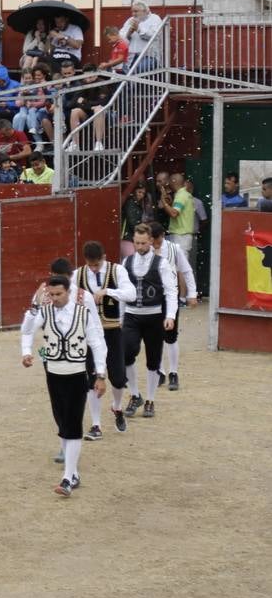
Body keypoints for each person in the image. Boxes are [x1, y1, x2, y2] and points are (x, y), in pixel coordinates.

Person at [21, 275, 109, 496]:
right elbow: (28, 330)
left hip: (77, 375)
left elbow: (97, 343)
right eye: (51, 294)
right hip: (54, 375)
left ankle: (68, 478)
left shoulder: (82, 313)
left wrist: (100, 374)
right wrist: (26, 352)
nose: (55, 298)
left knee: (72, 425)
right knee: (62, 422)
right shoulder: (45, 311)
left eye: (59, 294)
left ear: (69, 292)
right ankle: (73, 472)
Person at [74, 241, 138, 438]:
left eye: (97, 264)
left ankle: (117, 407)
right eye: (90, 265)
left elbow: (132, 294)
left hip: (112, 331)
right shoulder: (78, 274)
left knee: (118, 378)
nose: (94, 269)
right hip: (90, 334)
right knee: (91, 379)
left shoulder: (117, 270)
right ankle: (96, 425)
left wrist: (108, 291)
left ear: (104, 257)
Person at [121, 224, 177, 419]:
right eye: (136, 243)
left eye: (143, 243)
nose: (140, 246)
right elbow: (122, 293)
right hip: (131, 314)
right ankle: (135, 394)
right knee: (127, 352)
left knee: (153, 360)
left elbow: (171, 291)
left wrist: (170, 316)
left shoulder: (161, 263)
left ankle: (150, 399)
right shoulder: (126, 262)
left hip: (154, 316)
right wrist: (120, 318)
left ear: (151, 241)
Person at [151, 222, 198, 391]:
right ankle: (160, 372)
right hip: (152, 297)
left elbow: (186, 271)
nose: (154, 243)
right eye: (152, 240)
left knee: (170, 336)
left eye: (156, 240)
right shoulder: (145, 249)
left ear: (162, 236)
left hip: (170, 295)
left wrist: (192, 293)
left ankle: (173, 372)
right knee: (155, 336)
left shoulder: (173, 249)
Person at [162, 171, 197, 258]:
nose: (168, 184)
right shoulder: (186, 194)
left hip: (180, 236)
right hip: (183, 235)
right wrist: (169, 204)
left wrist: (164, 202)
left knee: (180, 266)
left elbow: (174, 213)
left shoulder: (181, 196)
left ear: (173, 181)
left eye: (169, 181)